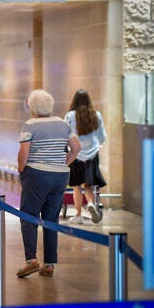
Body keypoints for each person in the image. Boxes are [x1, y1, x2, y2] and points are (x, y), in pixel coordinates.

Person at [16, 89, 80, 278]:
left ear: (32, 106)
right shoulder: (63, 123)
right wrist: (63, 163)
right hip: (60, 176)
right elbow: (76, 148)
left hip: (36, 175)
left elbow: (23, 153)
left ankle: (31, 260)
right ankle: (49, 264)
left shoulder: (30, 124)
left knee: (29, 216)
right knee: (51, 219)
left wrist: (21, 169)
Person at [65, 89, 106, 224]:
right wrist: (96, 146)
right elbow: (102, 136)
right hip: (92, 154)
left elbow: (66, 134)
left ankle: (78, 214)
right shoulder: (96, 115)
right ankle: (90, 203)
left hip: (76, 153)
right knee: (87, 184)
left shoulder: (70, 116)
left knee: (76, 185)